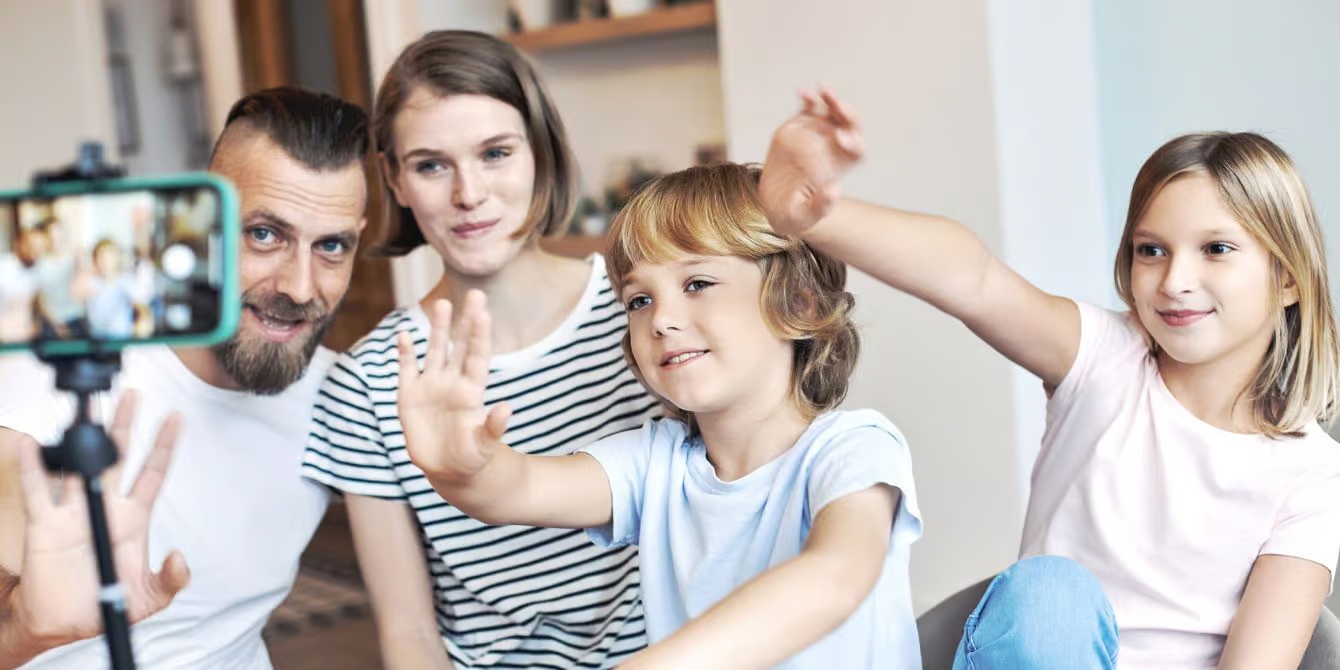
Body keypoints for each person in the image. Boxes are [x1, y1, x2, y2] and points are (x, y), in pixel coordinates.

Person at [758, 88, 1340, 669]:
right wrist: (817, 215)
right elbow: (974, 279)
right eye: (1151, 250)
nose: (1175, 280)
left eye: (1216, 248)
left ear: (1288, 279)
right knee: (1053, 596)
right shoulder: (1106, 360)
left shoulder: (1313, 476)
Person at [396, 161, 924, 669]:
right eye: (638, 300)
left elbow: (833, 580)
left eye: (697, 284)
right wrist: (463, 468)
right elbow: (517, 489)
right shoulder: (654, 462)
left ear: (800, 305)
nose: (662, 319)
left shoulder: (854, 448)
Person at [300, 30, 661, 668]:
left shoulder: (650, 311)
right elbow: (409, 636)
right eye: (431, 165)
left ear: (540, 154)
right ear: (395, 179)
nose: (469, 194)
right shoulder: (365, 385)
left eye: (495, 153)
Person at [0, 85, 370, 669]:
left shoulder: (344, 397)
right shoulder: (38, 401)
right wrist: (27, 631)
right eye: (265, 234)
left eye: (330, 246)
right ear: (202, 220)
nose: (300, 287)